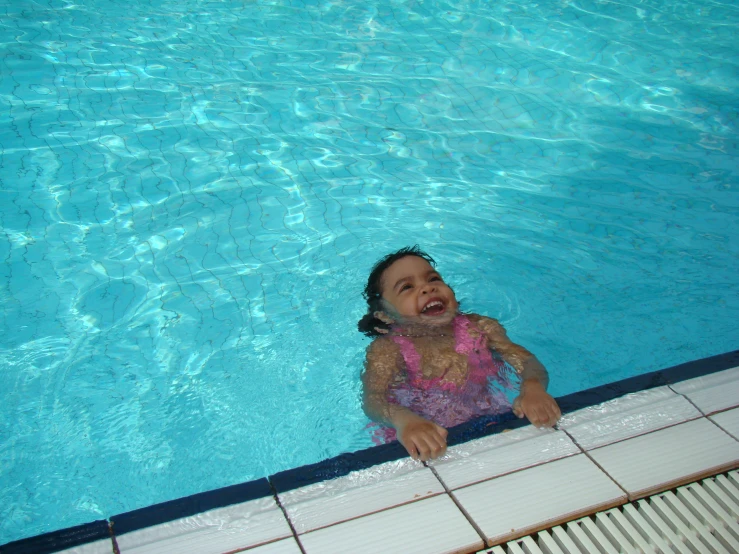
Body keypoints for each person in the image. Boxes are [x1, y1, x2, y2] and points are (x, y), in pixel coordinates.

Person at [358, 246, 561, 461]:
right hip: (422, 431)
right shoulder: (388, 349)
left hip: (486, 416)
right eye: (407, 287)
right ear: (385, 315)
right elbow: (374, 399)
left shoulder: (481, 328)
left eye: (433, 279)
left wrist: (533, 388)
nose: (427, 289)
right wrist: (405, 421)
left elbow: (526, 361)